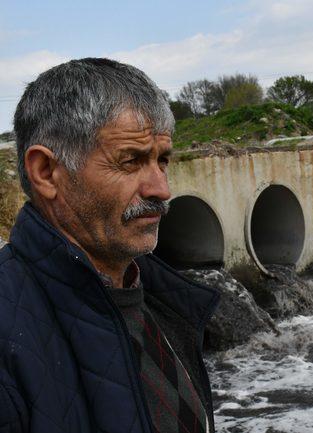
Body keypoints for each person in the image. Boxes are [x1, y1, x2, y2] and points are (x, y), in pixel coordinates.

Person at [0, 58, 219, 433]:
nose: (161, 189)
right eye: (130, 161)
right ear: (46, 173)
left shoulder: (159, 299)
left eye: (162, 161)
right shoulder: (9, 333)